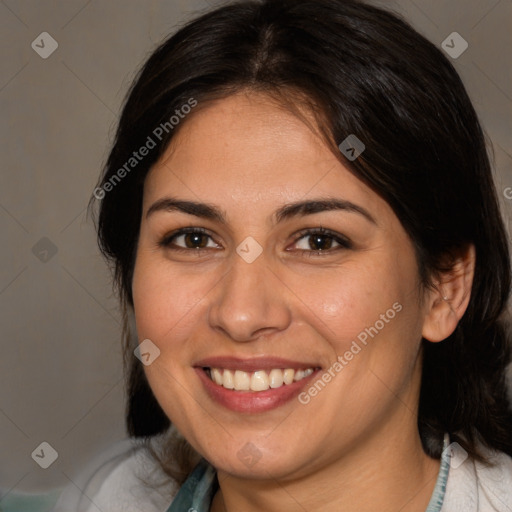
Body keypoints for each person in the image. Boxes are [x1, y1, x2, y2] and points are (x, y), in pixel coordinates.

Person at [55, 0, 512, 510]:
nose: (241, 314)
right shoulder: (104, 498)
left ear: (445, 288)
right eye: (193, 238)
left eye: (319, 241)